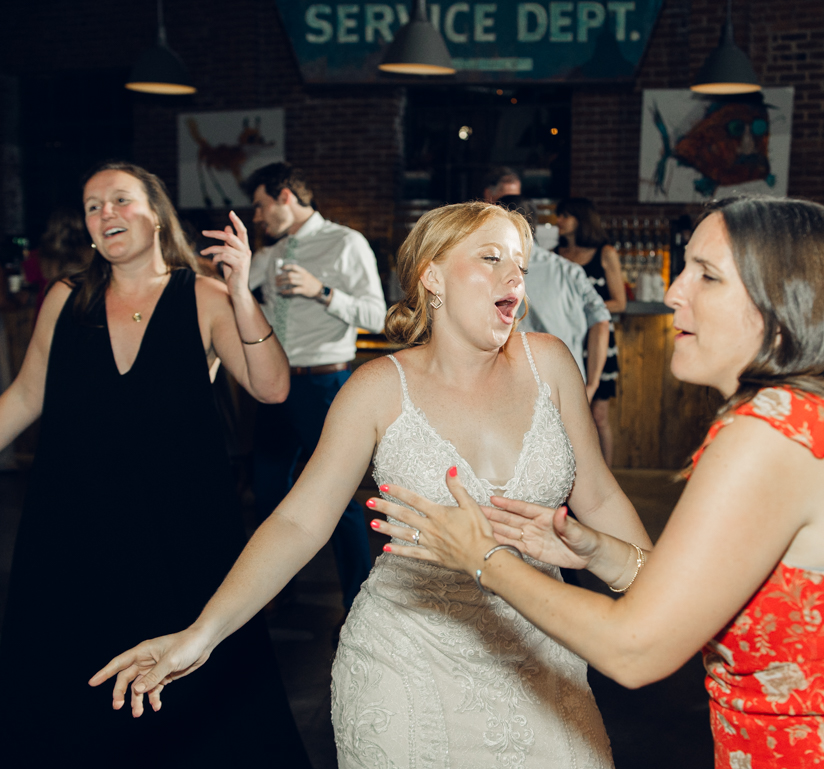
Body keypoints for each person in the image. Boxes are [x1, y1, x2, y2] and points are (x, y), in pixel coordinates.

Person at [370, 198, 824, 768]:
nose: (675, 293)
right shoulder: (817, 413)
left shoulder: (772, 435)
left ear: (782, 303)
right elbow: (726, 598)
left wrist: (484, 558)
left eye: (706, 276)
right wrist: (599, 550)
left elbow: (635, 651)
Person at [90, 201, 652, 767]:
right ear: (432, 275)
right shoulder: (378, 389)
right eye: (491, 258)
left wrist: (659, 589)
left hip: (541, 653)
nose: (515, 277)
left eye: (521, 265)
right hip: (405, 665)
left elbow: (598, 494)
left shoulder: (549, 362)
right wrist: (202, 633)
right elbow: (299, 520)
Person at [0, 162, 311, 767]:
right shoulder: (66, 298)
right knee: (71, 688)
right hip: (71, 531)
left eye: (120, 200)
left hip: (180, 531)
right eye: (93, 206)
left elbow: (272, 388)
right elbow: (25, 395)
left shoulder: (203, 296)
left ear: (156, 214)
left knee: (195, 705)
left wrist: (241, 291)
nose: (105, 213)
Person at [245, 161, 386, 610]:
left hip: (325, 383)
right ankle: (275, 592)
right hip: (275, 384)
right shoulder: (269, 253)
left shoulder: (346, 242)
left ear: (286, 196)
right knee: (267, 488)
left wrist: (321, 291)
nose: (257, 216)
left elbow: (377, 316)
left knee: (337, 498)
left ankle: (359, 605)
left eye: (262, 205)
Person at [499, 194, 610, 400]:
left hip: (513, 385)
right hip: (569, 383)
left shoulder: (494, 270)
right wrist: (592, 384)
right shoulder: (570, 270)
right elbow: (602, 323)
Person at [556, 197, 627, 465]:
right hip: (567, 341)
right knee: (565, 416)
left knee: (598, 416)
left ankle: (606, 476)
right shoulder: (555, 255)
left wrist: (582, 311)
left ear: (581, 219)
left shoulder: (604, 253)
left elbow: (620, 302)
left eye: (565, 216)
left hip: (599, 341)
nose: (559, 221)